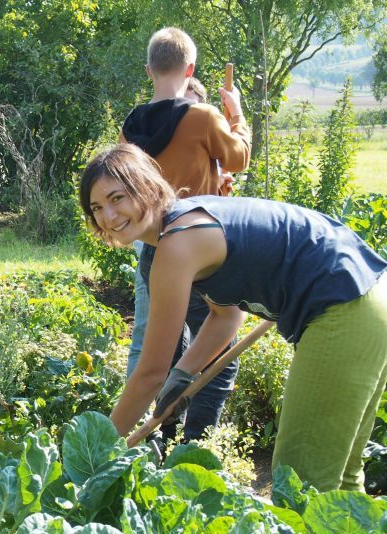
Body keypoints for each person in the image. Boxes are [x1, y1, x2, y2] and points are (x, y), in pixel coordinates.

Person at [80, 143, 387, 492]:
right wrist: (182, 375)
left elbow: (149, 373)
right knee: (341, 482)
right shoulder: (181, 225)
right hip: (369, 296)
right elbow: (226, 316)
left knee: (302, 485)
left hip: (345, 303)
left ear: (146, 186)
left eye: (117, 198)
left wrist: (98, 454)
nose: (108, 216)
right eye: (97, 208)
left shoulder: (177, 245)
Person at [120, 27, 251, 441]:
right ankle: (194, 445)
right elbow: (240, 157)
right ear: (189, 68)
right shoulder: (202, 116)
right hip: (202, 249)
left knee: (166, 348)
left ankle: (157, 437)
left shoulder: (130, 126)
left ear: (149, 71)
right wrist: (237, 113)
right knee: (217, 352)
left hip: (155, 250)